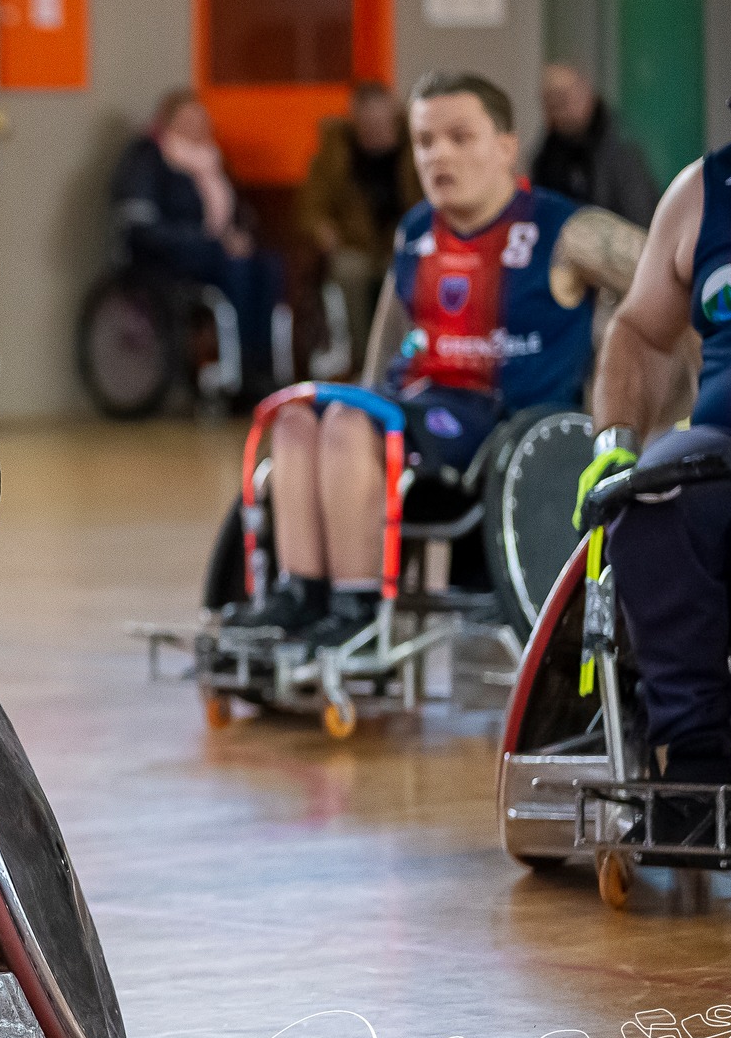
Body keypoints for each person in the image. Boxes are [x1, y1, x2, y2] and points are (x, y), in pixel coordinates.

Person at [228, 71, 644, 649]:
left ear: (506, 145)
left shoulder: (568, 230)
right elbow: (381, 358)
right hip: (419, 409)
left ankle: (357, 613)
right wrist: (356, 400)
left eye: (459, 137)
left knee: (348, 424)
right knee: (300, 418)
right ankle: (302, 594)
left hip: (504, 422)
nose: (437, 155)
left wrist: (654, 395)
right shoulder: (415, 231)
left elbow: (673, 280)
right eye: (424, 141)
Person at [582, 0, 731, 789]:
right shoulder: (704, 190)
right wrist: (613, 448)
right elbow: (637, 332)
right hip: (726, 444)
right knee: (646, 493)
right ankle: (693, 763)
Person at [110, 90, 285, 399]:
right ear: (167, 122)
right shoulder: (148, 157)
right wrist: (208, 242)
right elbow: (142, 224)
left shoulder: (213, 159)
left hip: (213, 250)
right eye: (185, 119)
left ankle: (259, 362)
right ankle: (240, 371)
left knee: (267, 266)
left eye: (199, 119)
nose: (194, 126)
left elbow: (237, 209)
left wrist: (238, 234)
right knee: (237, 269)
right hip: (167, 255)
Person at [294, 81, 421, 365]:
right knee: (350, 272)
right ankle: (365, 359)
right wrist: (322, 229)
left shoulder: (414, 151)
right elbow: (311, 206)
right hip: (353, 245)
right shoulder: (335, 153)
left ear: (394, 118)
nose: (376, 131)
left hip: (403, 243)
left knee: (409, 272)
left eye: (381, 122)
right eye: (368, 124)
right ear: (356, 122)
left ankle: (407, 361)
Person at [531, 63, 662, 228]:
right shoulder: (547, 154)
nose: (558, 110)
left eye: (563, 99)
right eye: (550, 102)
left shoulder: (620, 146)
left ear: (585, 92)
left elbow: (639, 216)